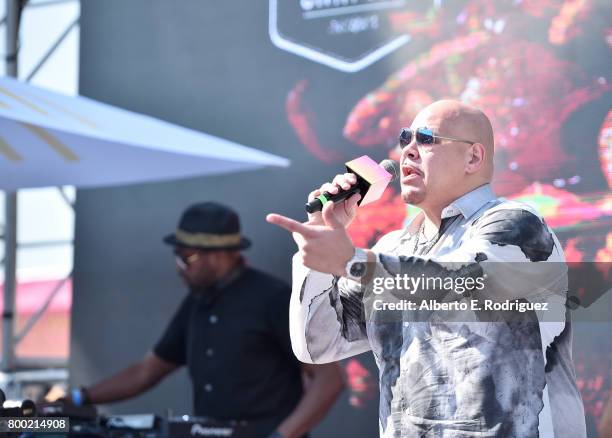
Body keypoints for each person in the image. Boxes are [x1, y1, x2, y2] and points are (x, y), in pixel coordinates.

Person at [267, 100, 586, 437]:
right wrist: (318, 247)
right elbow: (318, 345)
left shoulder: (517, 225)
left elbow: (463, 287)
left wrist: (353, 262)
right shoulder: (393, 249)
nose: (408, 151)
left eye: (427, 139)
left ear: (474, 157)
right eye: (405, 139)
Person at [70, 202, 344, 438]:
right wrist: (79, 398)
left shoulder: (273, 298)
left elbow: (328, 379)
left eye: (186, 257)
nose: (178, 267)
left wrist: (280, 436)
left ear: (220, 254)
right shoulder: (196, 305)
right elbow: (146, 371)